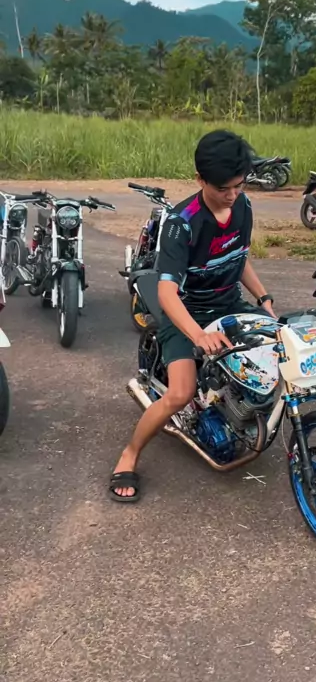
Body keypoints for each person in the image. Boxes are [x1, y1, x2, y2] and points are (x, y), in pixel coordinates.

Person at [110, 130, 276, 501]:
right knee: (180, 393)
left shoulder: (243, 207)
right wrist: (198, 335)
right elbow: (166, 293)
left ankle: (234, 411)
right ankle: (129, 454)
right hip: (185, 311)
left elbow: (238, 258)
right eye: (223, 188)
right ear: (200, 179)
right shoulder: (181, 223)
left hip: (229, 304)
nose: (232, 195)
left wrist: (263, 297)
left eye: (239, 185)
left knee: (278, 355)